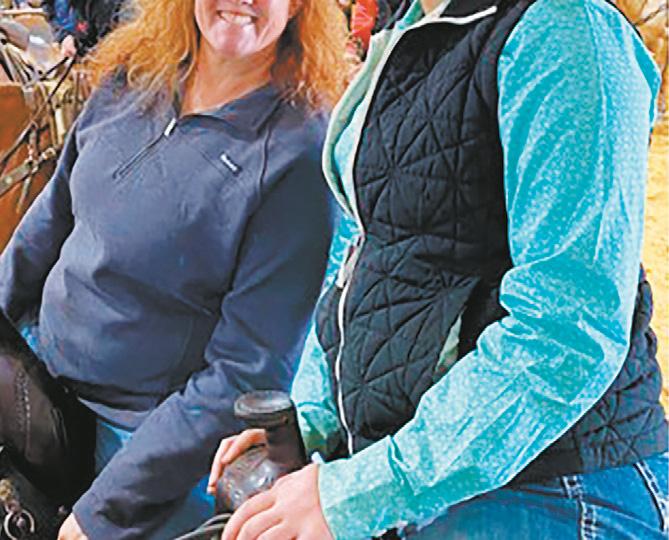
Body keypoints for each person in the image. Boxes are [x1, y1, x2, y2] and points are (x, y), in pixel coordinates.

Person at [209, 0, 669, 538]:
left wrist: (360, 492)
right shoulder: (414, 27)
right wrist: (312, 423)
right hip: (430, 474)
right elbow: (367, 256)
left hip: (554, 486)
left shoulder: (565, 31)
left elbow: (569, 329)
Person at [0, 0, 349, 537]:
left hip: (136, 442)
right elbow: (50, 220)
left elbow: (244, 371)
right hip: (38, 373)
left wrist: (103, 510)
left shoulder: (295, 154)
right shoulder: (132, 75)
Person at [41, 0, 126, 58]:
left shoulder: (106, 6)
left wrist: (76, 46)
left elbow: (104, 48)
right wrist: (63, 36)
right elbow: (48, 8)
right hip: (77, 38)